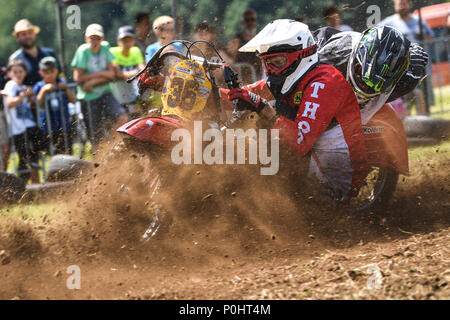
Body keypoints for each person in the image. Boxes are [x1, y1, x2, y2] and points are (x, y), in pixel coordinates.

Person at [221, 20, 368, 201]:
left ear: (301, 56)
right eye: (267, 63)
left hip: (335, 176)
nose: (271, 70)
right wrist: (205, 90)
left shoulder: (323, 82)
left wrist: (261, 106)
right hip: (312, 158)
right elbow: (239, 95)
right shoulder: (288, 78)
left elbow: (299, 143)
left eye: (277, 62)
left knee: (265, 130)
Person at [315, 25, 428, 124]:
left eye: (376, 86)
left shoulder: (407, 80)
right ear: (358, 61)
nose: (367, 88)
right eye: (365, 81)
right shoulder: (329, 57)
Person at [71, 24, 128, 147]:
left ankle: (116, 145)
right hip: (88, 98)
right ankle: (99, 159)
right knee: (95, 133)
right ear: (87, 39)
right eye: (92, 38)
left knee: (122, 117)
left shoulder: (105, 47)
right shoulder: (82, 51)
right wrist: (102, 74)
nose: (95, 41)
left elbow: (111, 73)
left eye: (98, 38)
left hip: (105, 92)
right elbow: (78, 77)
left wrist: (92, 81)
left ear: (102, 38)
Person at [379, 0, 434, 114]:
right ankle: (406, 120)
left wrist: (423, 36)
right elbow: (378, 37)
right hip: (400, 67)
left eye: (405, 4)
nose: (402, 7)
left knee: (422, 95)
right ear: (395, 6)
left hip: (420, 66)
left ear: (409, 5)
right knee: (405, 95)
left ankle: (424, 119)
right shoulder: (389, 22)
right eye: (400, 4)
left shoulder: (419, 21)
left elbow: (431, 38)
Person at [3, 60, 47, 183]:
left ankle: (30, 185)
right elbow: (9, 102)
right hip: (18, 129)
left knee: (34, 154)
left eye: (20, 71)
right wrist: (22, 95)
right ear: (10, 74)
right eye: (15, 72)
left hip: (28, 125)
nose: (18, 74)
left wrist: (31, 96)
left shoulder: (23, 87)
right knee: (24, 160)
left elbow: (31, 105)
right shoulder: (11, 85)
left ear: (25, 73)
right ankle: (18, 188)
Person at [34, 56, 75, 154]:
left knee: (68, 150)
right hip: (48, 127)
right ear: (41, 73)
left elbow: (72, 100)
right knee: (54, 152)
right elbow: (38, 103)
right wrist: (44, 90)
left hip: (64, 124)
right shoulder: (39, 86)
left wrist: (66, 89)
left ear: (57, 71)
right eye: (46, 72)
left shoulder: (62, 83)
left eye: (52, 71)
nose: (50, 75)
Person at [9, 19, 60, 86]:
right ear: (17, 38)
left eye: (30, 33)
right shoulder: (15, 59)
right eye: (23, 34)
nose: (27, 36)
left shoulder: (50, 53)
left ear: (34, 34)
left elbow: (60, 75)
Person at [109, 26, 145, 116]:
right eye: (124, 40)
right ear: (118, 42)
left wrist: (128, 74)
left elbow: (143, 69)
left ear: (133, 41)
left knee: (136, 120)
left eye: (129, 40)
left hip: (132, 96)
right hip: (117, 97)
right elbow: (118, 74)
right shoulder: (113, 52)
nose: (127, 43)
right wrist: (136, 73)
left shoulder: (135, 51)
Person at [227, 9, 263, 78]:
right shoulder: (237, 40)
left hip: (259, 77)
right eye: (247, 20)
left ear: (255, 21)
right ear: (243, 22)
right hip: (242, 78)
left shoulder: (260, 39)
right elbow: (231, 60)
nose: (250, 23)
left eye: (252, 19)